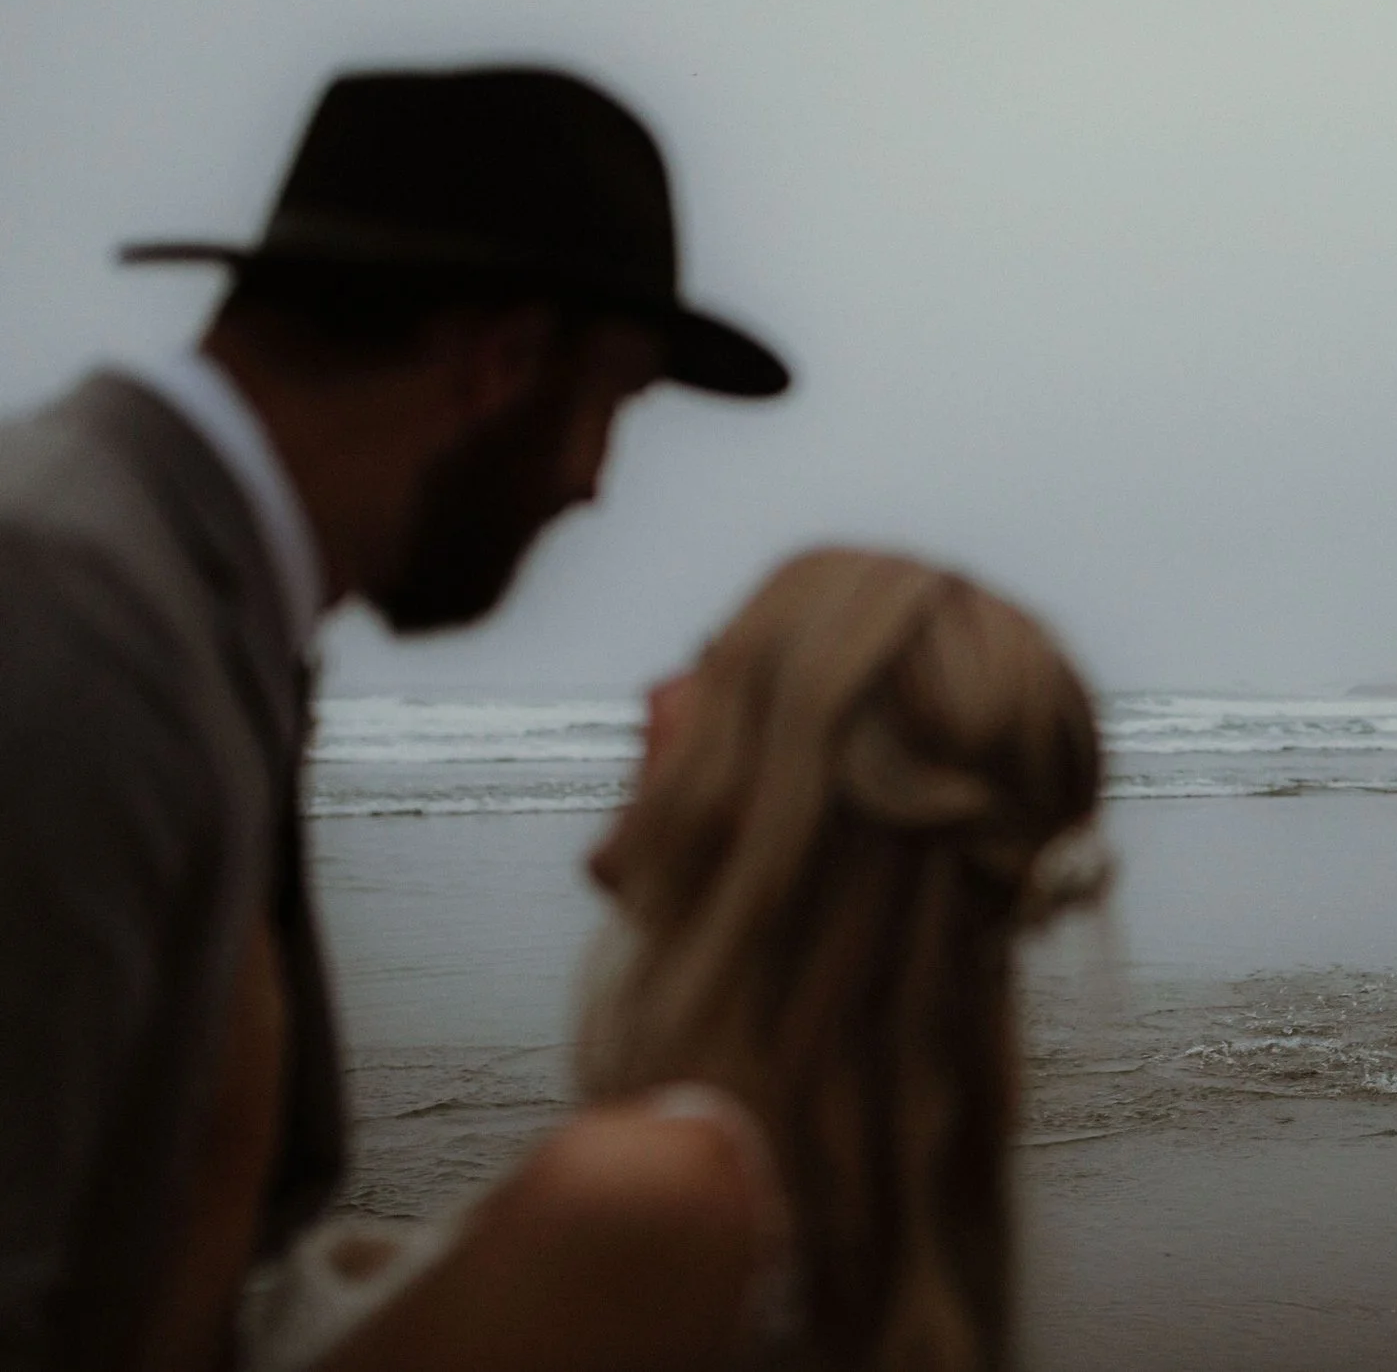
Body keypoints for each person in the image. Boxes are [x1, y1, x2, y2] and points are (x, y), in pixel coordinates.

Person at [0, 66, 787, 1371]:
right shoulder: (74, 608)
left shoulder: (178, 598)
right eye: (613, 402)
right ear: (502, 360)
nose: (595, 481)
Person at [238, 549, 1107, 1372]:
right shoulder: (850, 1171)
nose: (652, 696)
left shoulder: (653, 1192)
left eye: (709, 669)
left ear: (783, 780)